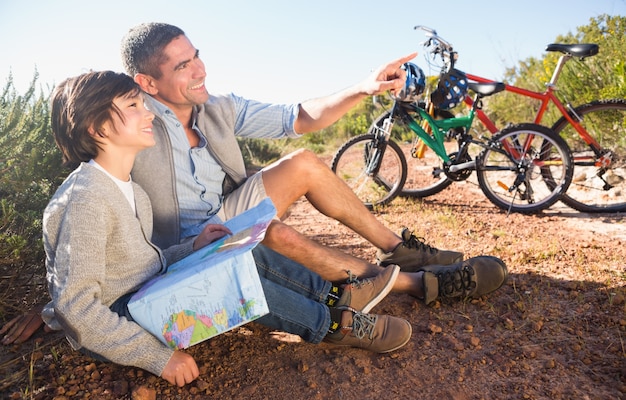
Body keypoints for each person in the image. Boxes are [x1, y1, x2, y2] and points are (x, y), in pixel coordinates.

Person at [39, 70, 413, 387]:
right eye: (133, 106)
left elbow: (137, 262)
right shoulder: (86, 197)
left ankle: (334, 297)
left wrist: (193, 247)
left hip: (144, 294)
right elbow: (78, 309)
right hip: (120, 321)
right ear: (98, 126)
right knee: (227, 282)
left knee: (238, 249)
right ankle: (332, 326)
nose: (147, 113)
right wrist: (158, 358)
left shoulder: (130, 189)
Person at [121, 22, 508, 302]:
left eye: (196, 56)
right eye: (182, 66)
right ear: (148, 83)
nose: (200, 70)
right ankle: (418, 284)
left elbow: (301, 117)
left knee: (304, 162)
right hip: (185, 249)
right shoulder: (129, 122)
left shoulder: (217, 108)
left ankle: (399, 249)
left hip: (223, 216)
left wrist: (362, 87)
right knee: (277, 234)